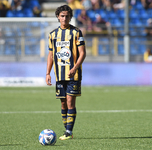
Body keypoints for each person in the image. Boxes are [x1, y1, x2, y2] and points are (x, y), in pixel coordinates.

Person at [46, 5, 86, 140]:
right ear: (58, 16)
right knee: (63, 103)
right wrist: (47, 73)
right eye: (62, 16)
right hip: (59, 75)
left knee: (70, 102)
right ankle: (67, 130)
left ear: (70, 17)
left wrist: (75, 68)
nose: (64, 18)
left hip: (73, 74)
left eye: (67, 16)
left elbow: (82, 53)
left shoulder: (76, 32)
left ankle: (68, 132)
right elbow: (51, 55)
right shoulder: (52, 35)